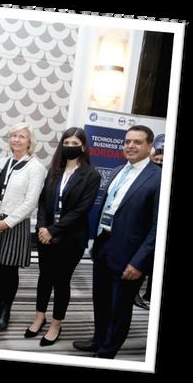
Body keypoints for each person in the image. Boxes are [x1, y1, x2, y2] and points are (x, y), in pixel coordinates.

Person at [73, 125, 161, 359]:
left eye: (137, 142)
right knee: (101, 299)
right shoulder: (118, 170)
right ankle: (98, 340)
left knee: (119, 306)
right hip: (104, 245)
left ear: (150, 146)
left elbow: (158, 227)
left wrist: (139, 262)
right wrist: (96, 243)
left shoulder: (159, 178)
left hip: (130, 254)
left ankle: (107, 352)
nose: (130, 146)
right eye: (127, 141)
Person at [25, 127, 101, 346]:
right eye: (66, 143)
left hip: (71, 238)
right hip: (45, 235)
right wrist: (42, 227)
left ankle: (56, 323)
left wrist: (53, 230)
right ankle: (39, 316)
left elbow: (81, 210)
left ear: (83, 147)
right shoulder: (54, 170)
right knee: (44, 277)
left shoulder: (91, 175)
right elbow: (42, 203)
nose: (70, 147)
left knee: (61, 281)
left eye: (75, 143)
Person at [0, 122, 47, 332]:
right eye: (14, 135)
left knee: (9, 269)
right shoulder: (4, 162)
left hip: (14, 224)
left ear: (30, 142)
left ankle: (6, 310)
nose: (16, 140)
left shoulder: (36, 168)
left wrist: (6, 223)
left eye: (22, 136)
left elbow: (30, 202)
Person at [133, 147, 163, 310]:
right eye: (156, 160)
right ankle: (135, 293)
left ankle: (150, 294)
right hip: (145, 230)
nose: (159, 163)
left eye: (162, 161)